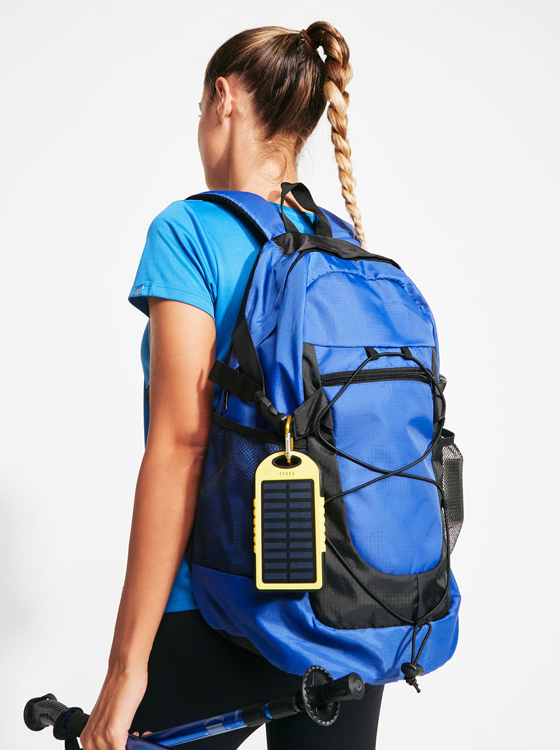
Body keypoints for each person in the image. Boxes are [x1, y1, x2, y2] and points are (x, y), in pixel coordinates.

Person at [81, 23, 383, 750]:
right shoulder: (341, 241)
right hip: (347, 610)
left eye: (199, 108)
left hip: (217, 606)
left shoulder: (188, 230)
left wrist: (126, 668)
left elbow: (182, 445)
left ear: (224, 98)